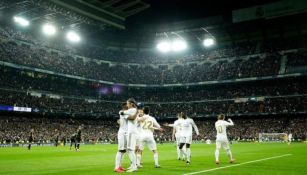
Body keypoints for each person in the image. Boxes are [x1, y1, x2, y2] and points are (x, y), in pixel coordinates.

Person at [120, 98, 138, 172]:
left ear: (131, 104)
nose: (127, 105)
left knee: (130, 149)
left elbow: (122, 112)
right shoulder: (133, 110)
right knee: (129, 149)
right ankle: (133, 166)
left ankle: (134, 167)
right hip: (131, 131)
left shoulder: (132, 110)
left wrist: (123, 113)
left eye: (128, 103)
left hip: (131, 132)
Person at [114, 103, 129, 173]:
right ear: (124, 107)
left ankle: (119, 166)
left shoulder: (126, 113)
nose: (129, 106)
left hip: (126, 133)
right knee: (120, 150)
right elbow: (130, 118)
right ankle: (116, 167)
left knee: (123, 151)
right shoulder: (122, 112)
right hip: (122, 133)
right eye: (128, 105)